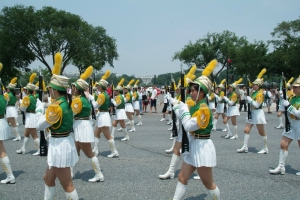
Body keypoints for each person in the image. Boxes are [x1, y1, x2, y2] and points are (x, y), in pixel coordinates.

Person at [169, 59, 220, 199]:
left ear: (201, 93)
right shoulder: (196, 106)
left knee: (208, 183)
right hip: (194, 145)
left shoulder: (204, 109)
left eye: (193, 90)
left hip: (202, 147)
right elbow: (186, 115)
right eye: (190, 90)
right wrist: (176, 105)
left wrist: (183, 109)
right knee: (182, 176)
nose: (190, 92)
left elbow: (189, 125)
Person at [36, 52, 79, 199]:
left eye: (50, 89)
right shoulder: (66, 103)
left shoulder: (55, 107)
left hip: (59, 146)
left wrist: (39, 108)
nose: (49, 92)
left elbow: (39, 125)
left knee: (67, 185)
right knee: (48, 179)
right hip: (60, 143)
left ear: (54, 90)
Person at [70, 66, 104, 183]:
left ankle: (99, 174)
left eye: (73, 87)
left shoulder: (78, 100)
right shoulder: (83, 99)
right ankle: (70, 172)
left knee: (90, 154)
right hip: (81, 125)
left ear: (77, 89)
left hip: (82, 126)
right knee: (75, 151)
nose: (72, 88)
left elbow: (71, 113)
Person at [269, 76, 300, 175]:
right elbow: (285, 108)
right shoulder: (292, 98)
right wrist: (282, 106)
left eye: (296, 87)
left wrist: (288, 106)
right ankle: (281, 167)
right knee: (283, 144)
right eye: (293, 87)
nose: (294, 88)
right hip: (291, 124)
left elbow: (298, 113)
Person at [237, 68, 269, 154]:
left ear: (259, 86)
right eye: (253, 84)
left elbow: (257, 105)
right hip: (252, 113)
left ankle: (265, 148)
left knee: (261, 132)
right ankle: (245, 146)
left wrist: (250, 100)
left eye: (255, 85)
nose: (253, 85)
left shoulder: (260, 93)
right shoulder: (254, 92)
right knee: (246, 130)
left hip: (258, 113)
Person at [89, 70, 119, 158]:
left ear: (101, 86)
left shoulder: (102, 95)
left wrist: (91, 98)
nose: (97, 87)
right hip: (102, 115)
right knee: (96, 133)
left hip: (103, 116)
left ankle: (114, 151)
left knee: (108, 136)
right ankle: (96, 149)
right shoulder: (103, 94)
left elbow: (95, 106)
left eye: (98, 86)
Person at [17, 73, 40, 156]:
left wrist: (20, 105)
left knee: (34, 135)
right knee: (26, 134)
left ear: (27, 90)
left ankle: (39, 149)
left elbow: (23, 108)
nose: (24, 90)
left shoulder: (27, 97)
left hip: (30, 116)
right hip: (31, 115)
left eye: (25, 89)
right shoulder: (34, 97)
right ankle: (23, 148)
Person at [0, 63, 16, 184]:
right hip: (2, 120)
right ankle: (10, 175)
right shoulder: (3, 97)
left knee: (1, 151)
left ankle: (10, 175)